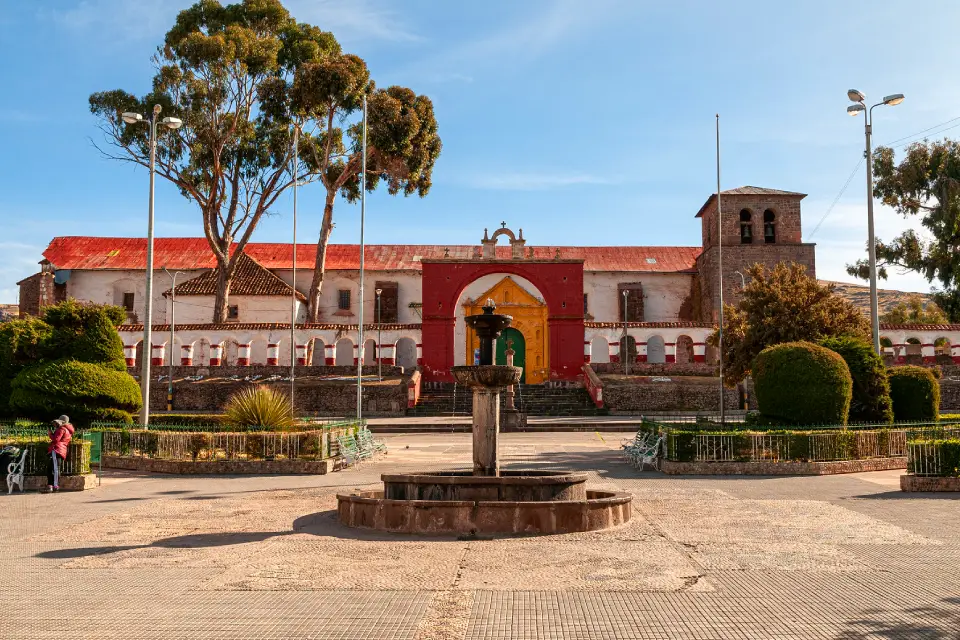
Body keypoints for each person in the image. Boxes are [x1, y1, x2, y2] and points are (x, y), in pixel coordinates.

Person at [46, 415, 74, 493]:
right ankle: (51, 485)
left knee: (54, 468)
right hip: (61, 450)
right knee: (51, 468)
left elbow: (56, 439)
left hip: (57, 450)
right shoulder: (68, 430)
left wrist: (50, 434)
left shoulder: (62, 429)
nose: (56, 425)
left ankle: (54, 486)